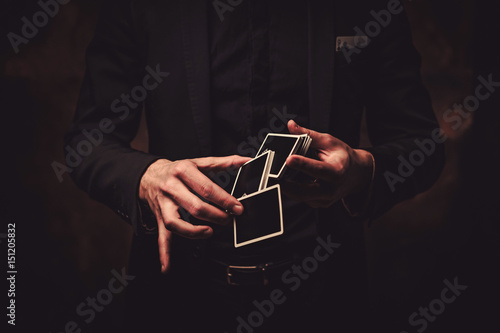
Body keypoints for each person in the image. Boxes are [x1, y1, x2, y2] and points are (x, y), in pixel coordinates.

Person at [65, 0, 444, 331]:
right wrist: (146, 177)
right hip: (177, 296)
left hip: (324, 298)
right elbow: (86, 143)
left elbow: (424, 146)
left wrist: (363, 169)